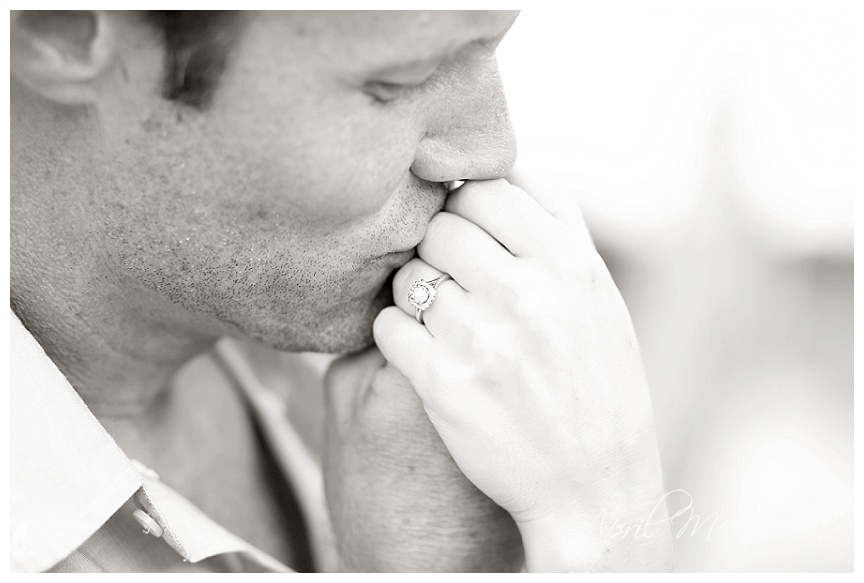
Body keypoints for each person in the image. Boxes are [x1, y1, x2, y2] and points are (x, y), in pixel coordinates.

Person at [10, 10, 673, 572]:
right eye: (394, 83)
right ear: (60, 29)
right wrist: (600, 535)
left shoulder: (330, 309)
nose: (493, 150)